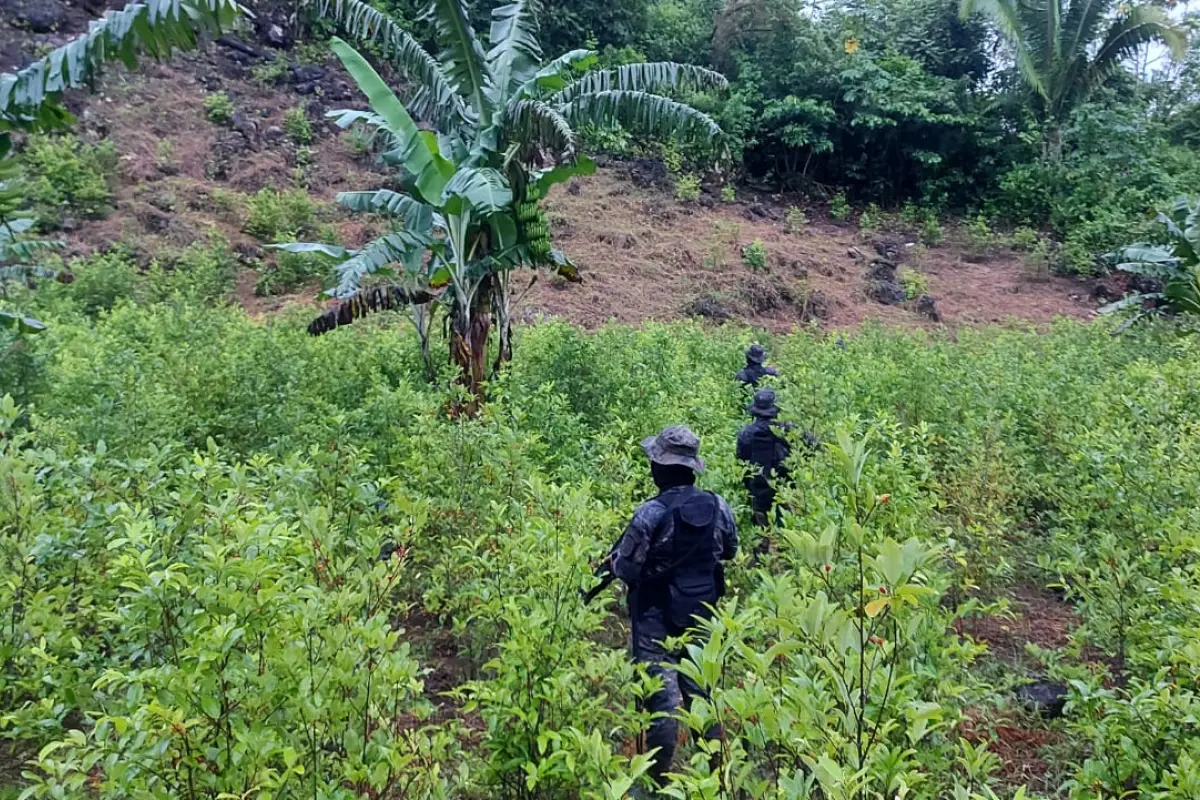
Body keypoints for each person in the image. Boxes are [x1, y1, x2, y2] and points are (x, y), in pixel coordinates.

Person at [609, 425, 738, 786]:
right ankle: (717, 779)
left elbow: (625, 568)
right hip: (701, 615)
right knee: (703, 697)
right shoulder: (718, 506)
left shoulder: (650, 513)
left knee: (660, 703)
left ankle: (654, 784)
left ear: (660, 469)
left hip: (654, 621)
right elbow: (730, 550)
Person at [736, 388, 792, 528]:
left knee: (760, 527)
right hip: (782, 484)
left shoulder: (746, 434)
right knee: (784, 523)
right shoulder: (786, 430)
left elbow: (741, 461)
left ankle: (762, 545)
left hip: (757, 486)